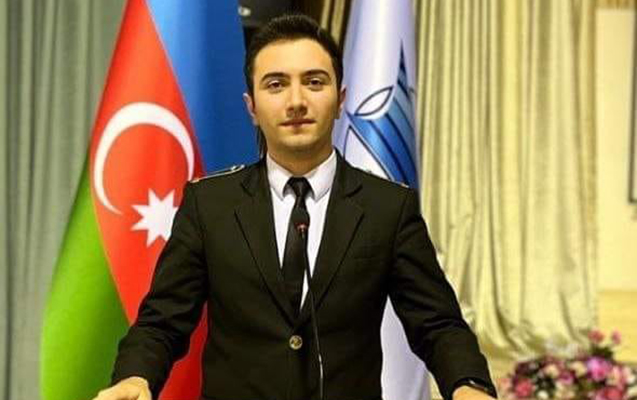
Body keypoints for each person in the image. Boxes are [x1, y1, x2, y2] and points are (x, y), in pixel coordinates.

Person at [93, 14, 497, 400]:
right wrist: (136, 376)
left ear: (340, 100)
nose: (296, 101)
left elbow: (437, 323)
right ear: (251, 107)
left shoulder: (387, 207)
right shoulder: (209, 205)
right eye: (276, 85)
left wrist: (467, 383)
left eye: (314, 82)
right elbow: (163, 320)